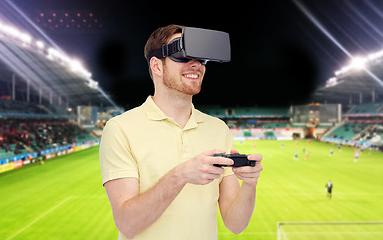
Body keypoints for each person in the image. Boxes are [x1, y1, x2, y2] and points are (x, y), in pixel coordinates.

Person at [99, 24, 263, 240]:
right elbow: (128, 224)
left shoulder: (218, 128)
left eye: (201, 59)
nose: (195, 64)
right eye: (182, 55)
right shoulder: (120, 128)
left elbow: (236, 224)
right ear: (157, 66)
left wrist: (249, 185)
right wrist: (181, 175)